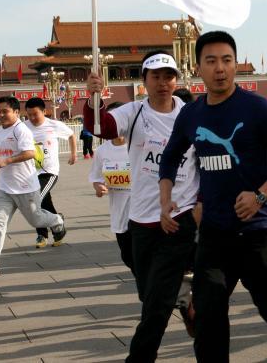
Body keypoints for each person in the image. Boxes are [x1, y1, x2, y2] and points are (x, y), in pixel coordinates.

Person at [158, 31, 267, 361]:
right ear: (198, 66)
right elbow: (170, 156)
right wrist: (165, 199)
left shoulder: (255, 107)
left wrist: (261, 194)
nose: (220, 68)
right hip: (215, 234)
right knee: (208, 318)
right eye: (211, 61)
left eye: (227, 60)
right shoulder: (191, 115)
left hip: (259, 230)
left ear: (235, 65)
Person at [84, 51, 199, 362]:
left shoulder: (191, 115)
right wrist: (94, 98)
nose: (162, 83)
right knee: (149, 296)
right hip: (140, 221)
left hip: (178, 216)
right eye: (155, 77)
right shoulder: (133, 113)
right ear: (144, 81)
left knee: (155, 310)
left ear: (177, 79)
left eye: (168, 76)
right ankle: (187, 303)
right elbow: (101, 128)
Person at [0, 97, 67, 276]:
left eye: (6, 111)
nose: (2, 114)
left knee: (36, 220)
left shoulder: (22, 130)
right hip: (5, 188)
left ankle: (57, 220)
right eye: (0, 111)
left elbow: (29, 153)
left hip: (26, 186)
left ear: (16, 112)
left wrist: (7, 161)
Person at [24, 97, 77, 248]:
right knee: (45, 201)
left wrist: (73, 154)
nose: (32, 118)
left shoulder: (54, 125)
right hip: (30, 173)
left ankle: (44, 232)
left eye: (36, 114)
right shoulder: (23, 127)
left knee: (36, 200)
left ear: (44, 111)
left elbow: (71, 135)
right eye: (29, 115)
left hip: (49, 171)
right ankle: (56, 228)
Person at [88, 102, 134, 273]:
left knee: (143, 255)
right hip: (119, 212)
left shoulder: (139, 146)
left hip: (143, 212)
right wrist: (99, 187)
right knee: (128, 256)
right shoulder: (102, 151)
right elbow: (96, 178)